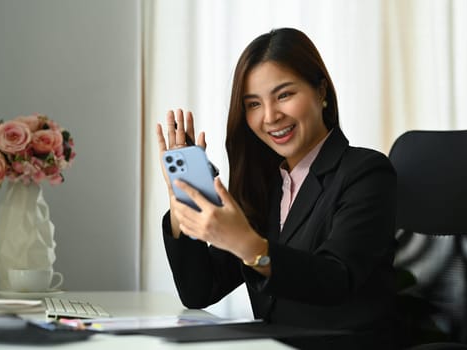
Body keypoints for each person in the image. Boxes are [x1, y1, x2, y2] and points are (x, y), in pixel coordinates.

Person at [157, 27, 396, 350]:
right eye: (253, 104)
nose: (270, 116)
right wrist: (182, 201)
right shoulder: (265, 187)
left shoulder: (366, 173)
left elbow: (336, 280)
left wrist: (251, 247)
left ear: (320, 91)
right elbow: (200, 291)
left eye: (284, 95)